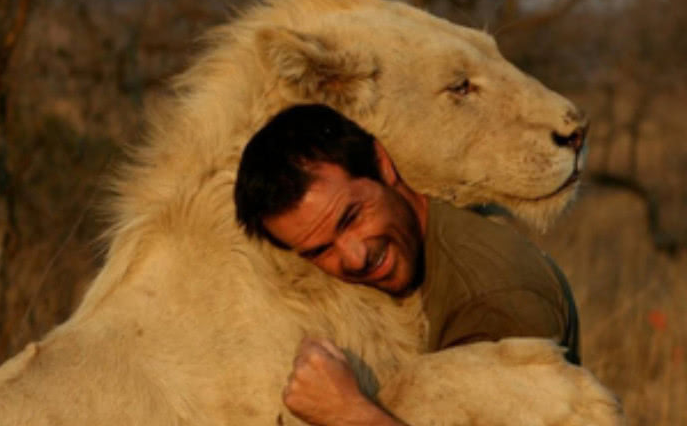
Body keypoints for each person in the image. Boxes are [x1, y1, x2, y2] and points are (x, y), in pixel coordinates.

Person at [233, 103, 580, 426]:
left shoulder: (491, 299)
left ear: (382, 165)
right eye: (321, 250)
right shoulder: (422, 245)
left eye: (351, 217)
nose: (355, 257)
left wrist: (348, 413)